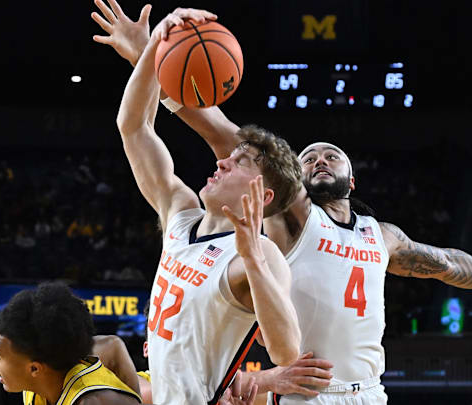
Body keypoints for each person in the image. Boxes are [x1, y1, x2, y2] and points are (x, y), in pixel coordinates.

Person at [92, 3, 472, 404]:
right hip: (305, 392)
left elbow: (445, 262)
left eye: (332, 155)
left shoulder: (381, 236)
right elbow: (220, 131)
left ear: (353, 180)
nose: (319, 159)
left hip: (370, 391)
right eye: (309, 156)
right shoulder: (294, 215)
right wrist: (153, 61)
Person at [111, 7, 303, 405]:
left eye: (239, 162)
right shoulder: (180, 213)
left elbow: (285, 351)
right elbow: (134, 128)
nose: (221, 160)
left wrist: (252, 259)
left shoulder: (259, 252)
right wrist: (153, 49)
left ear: (262, 194)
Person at [0, 282, 142, 405]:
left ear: (34, 368)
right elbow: (112, 345)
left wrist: (137, 398)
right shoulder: (56, 360)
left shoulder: (93, 400)